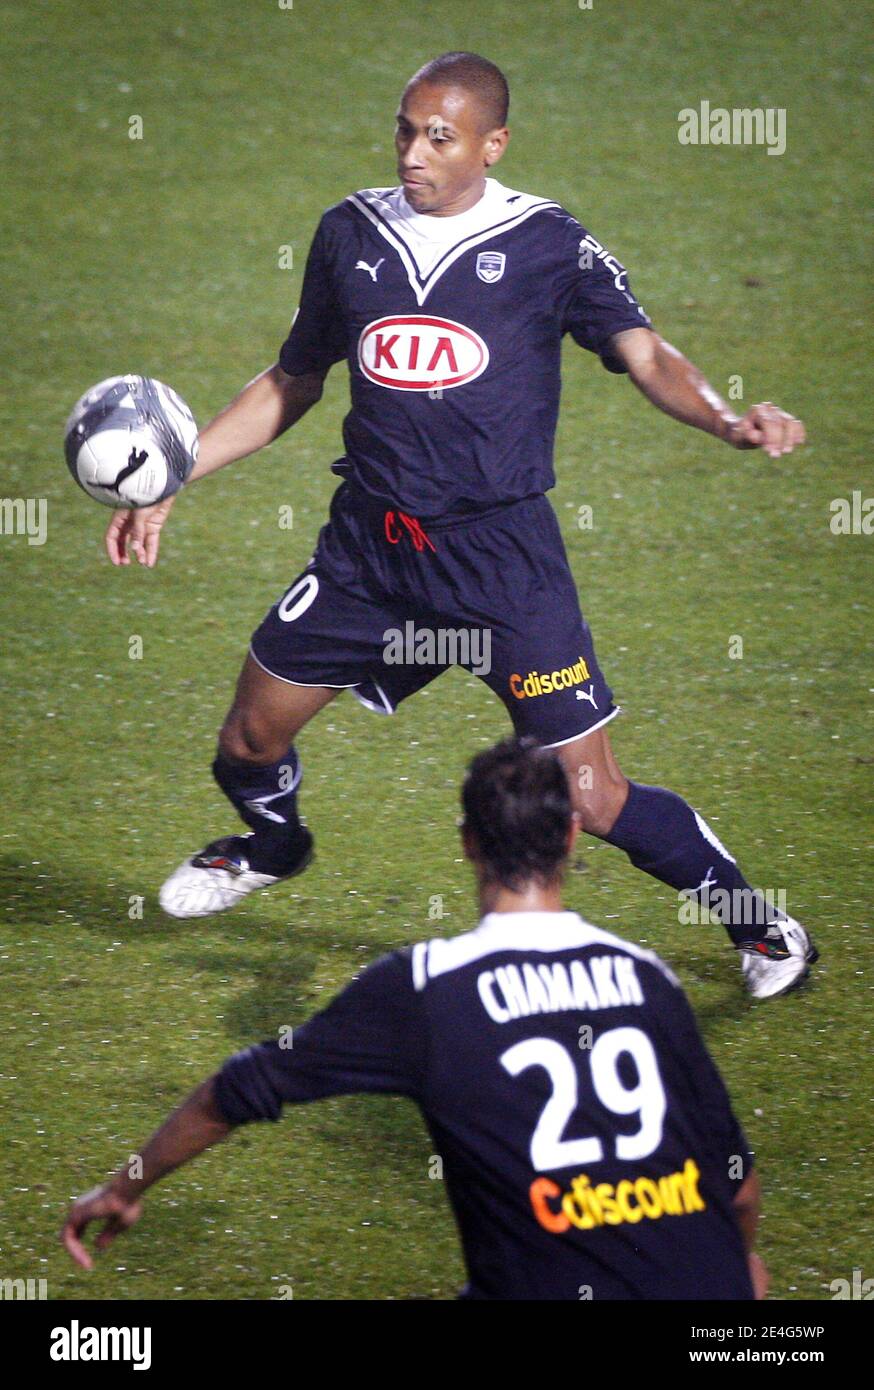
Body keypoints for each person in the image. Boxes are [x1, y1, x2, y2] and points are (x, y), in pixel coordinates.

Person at [106, 50, 815, 999]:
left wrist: (727, 419)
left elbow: (646, 355)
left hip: (502, 563)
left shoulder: (547, 244)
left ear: (493, 143)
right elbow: (294, 379)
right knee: (248, 738)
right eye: (405, 130)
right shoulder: (348, 232)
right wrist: (175, 474)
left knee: (592, 797)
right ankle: (273, 846)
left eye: (439, 136)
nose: (413, 153)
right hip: (370, 551)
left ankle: (762, 929)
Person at [62, 738, 766, 1300]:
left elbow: (240, 1089)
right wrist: (743, 1269)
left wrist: (125, 1187)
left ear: (466, 841)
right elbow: (737, 1181)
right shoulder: (650, 978)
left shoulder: (426, 989)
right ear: (574, 837)